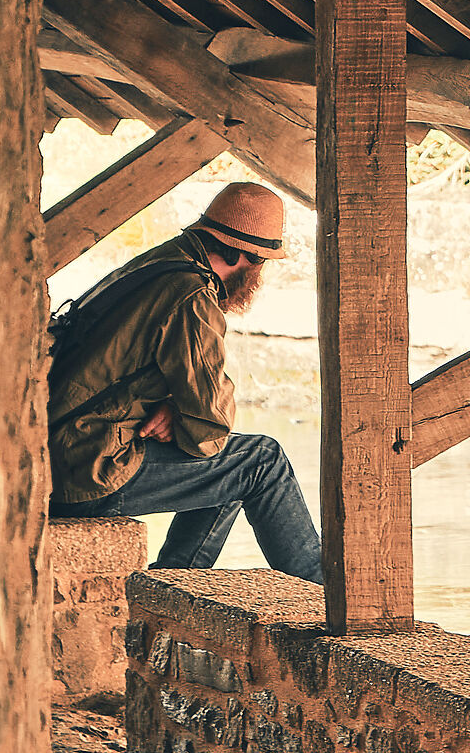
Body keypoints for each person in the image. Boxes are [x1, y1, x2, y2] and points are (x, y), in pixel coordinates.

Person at [48, 181, 322, 583]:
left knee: (230, 470)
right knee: (261, 461)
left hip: (60, 453)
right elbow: (210, 428)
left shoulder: (156, 264)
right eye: (262, 263)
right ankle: (319, 591)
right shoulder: (192, 297)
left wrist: (174, 406)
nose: (259, 276)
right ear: (245, 257)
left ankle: (175, 581)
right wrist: (184, 413)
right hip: (88, 471)